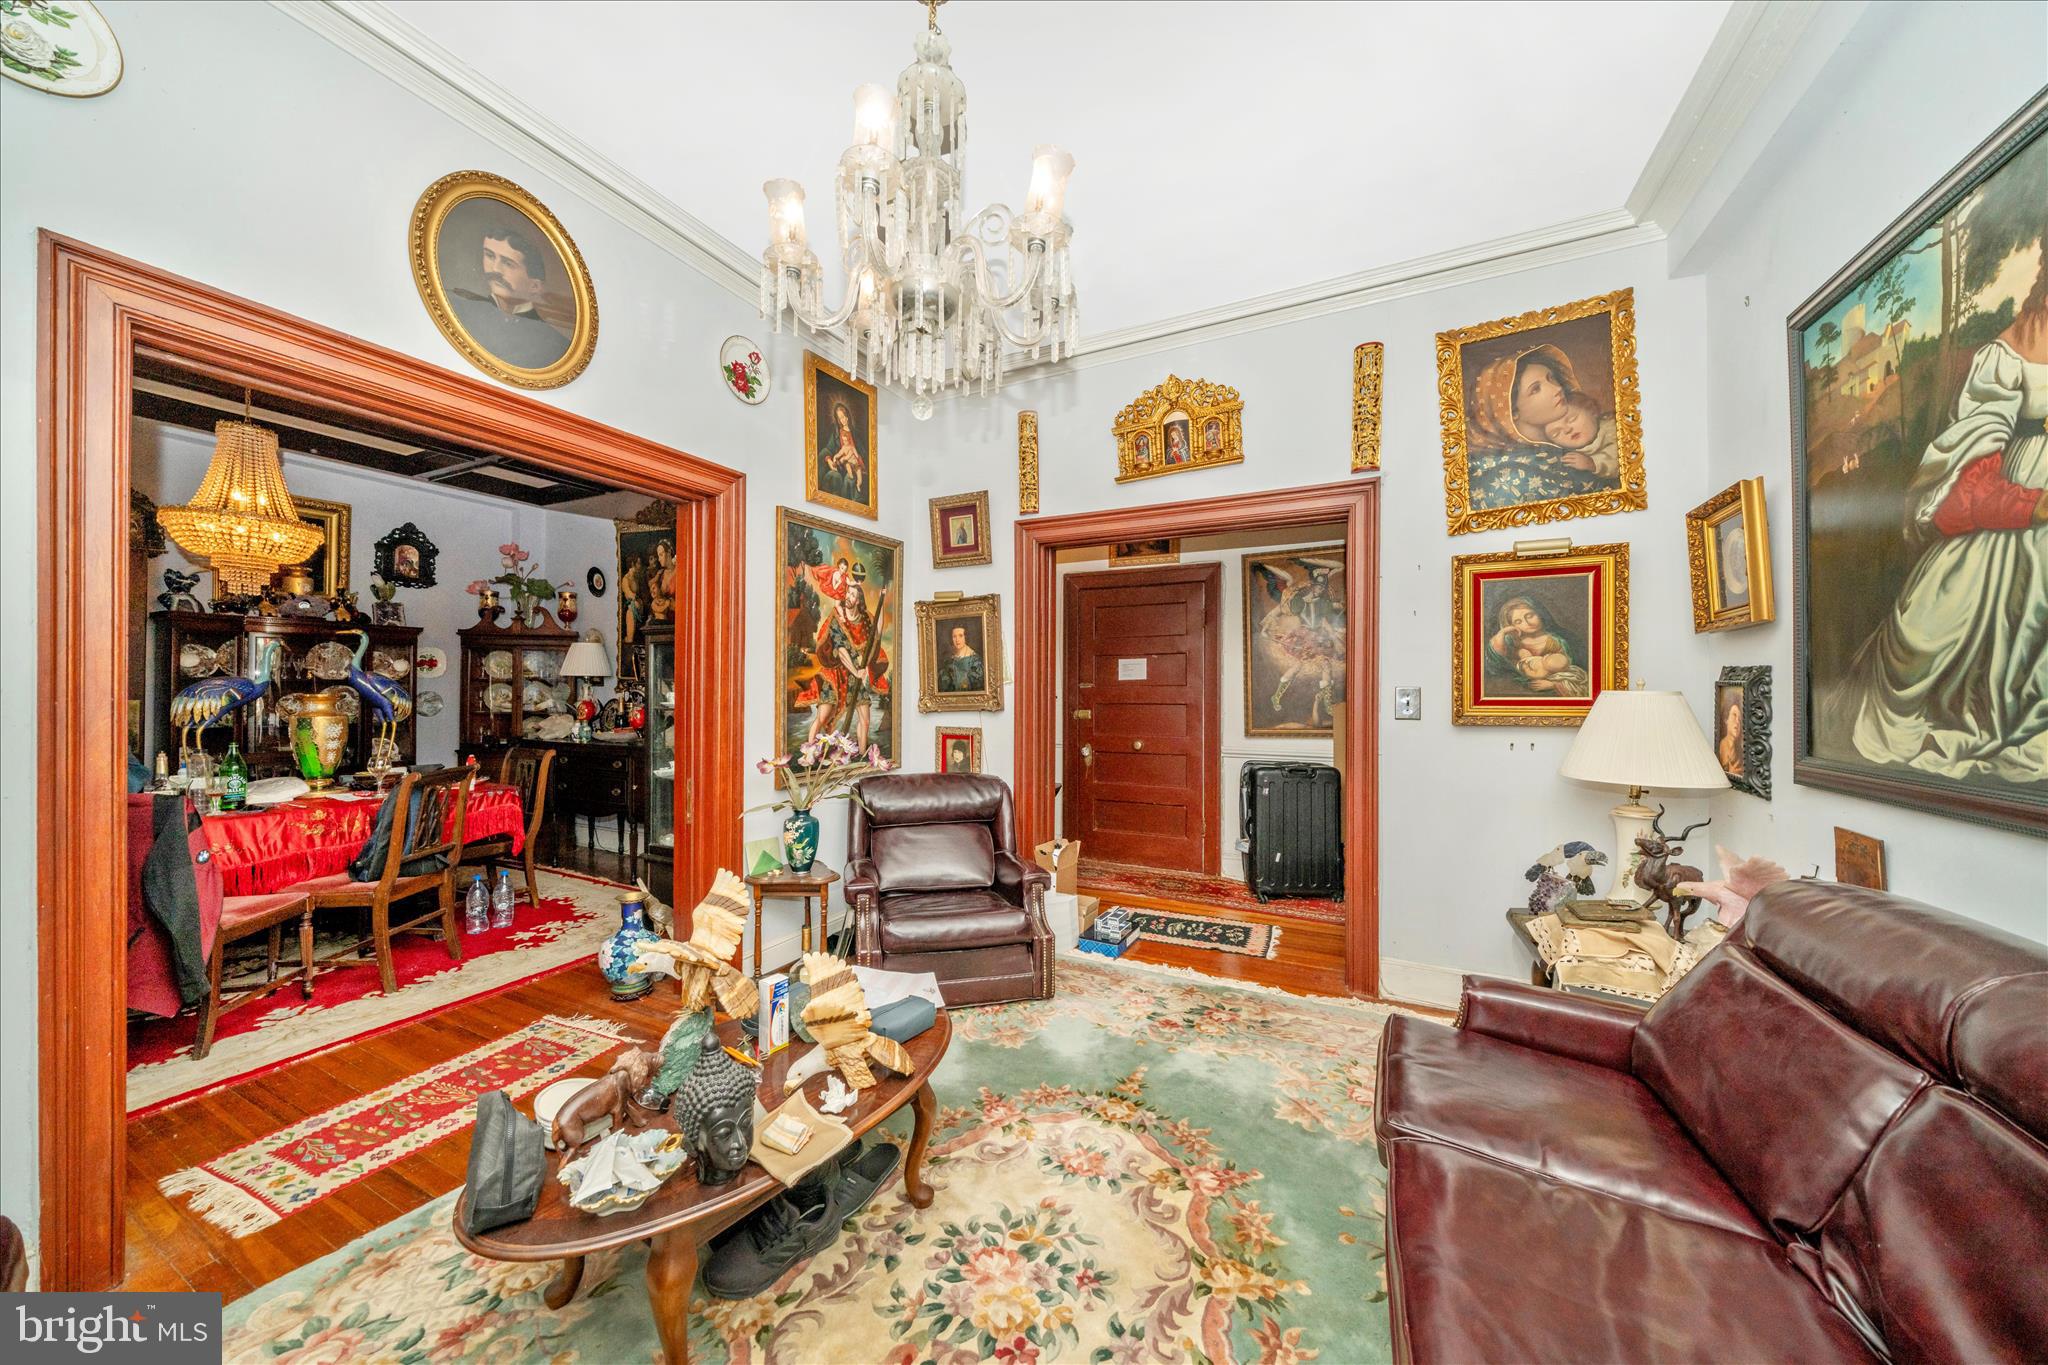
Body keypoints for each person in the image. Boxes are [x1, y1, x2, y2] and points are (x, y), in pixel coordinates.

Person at [1821, 267, 2048, 785]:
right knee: (1941, 630)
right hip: (2021, 508)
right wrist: (2027, 504)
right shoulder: (2008, 350)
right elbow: (1975, 453)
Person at [1462, 344, 1620, 510]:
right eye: (1536, 389)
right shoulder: (1510, 476)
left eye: (1551, 378)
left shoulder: (1574, 438)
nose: (1558, 389)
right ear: (1510, 411)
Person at [445, 222, 572, 369]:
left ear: (534, 286)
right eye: (490, 256)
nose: (495, 269)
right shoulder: (457, 309)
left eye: (508, 263)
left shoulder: (555, 345)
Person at [796, 558, 886, 751]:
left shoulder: (865, 620)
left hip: (858, 674)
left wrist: (882, 602)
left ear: (859, 600)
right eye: (848, 593)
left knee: (866, 720)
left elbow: (877, 635)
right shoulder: (838, 619)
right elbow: (842, 651)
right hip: (836, 673)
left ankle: (862, 756)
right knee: (822, 716)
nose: (849, 597)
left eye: (853, 595)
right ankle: (809, 753)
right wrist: (856, 671)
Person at [1485, 596, 1588, 697]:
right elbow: (1495, 663)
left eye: (1529, 616)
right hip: (1516, 689)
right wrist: (1503, 632)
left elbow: (1568, 672)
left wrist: (1555, 685)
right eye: (1518, 621)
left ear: (1539, 614)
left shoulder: (1556, 642)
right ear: (1512, 625)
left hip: (1546, 692)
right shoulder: (1510, 641)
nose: (1527, 623)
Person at [816, 398, 868, 504]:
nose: (842, 420)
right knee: (835, 476)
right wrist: (829, 460)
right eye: (839, 418)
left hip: (855, 463)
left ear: (847, 417)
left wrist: (856, 459)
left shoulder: (855, 434)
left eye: (843, 417)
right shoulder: (836, 433)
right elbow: (827, 450)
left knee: (852, 479)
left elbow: (863, 453)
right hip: (841, 466)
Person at [937, 625, 984, 693]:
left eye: (960, 636)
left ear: (966, 637)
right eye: (954, 636)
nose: (957, 640)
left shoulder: (975, 660)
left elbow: (977, 686)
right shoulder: (949, 659)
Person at [1718, 698, 1745, 776]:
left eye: (1739, 719)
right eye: (1734, 715)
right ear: (1726, 719)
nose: (1737, 722)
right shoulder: (1721, 747)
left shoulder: (1740, 751)